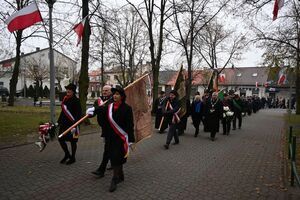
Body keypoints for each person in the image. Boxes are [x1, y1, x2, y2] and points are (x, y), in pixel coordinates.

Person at [86, 86, 135, 192]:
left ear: (122, 96)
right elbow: (101, 109)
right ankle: (120, 175)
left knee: (116, 157)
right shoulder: (109, 106)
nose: (115, 96)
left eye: (117, 94)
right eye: (114, 94)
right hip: (110, 136)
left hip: (120, 137)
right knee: (114, 157)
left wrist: (131, 139)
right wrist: (93, 110)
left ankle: (114, 179)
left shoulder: (127, 108)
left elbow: (130, 125)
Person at [91, 85, 114, 177]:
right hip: (104, 128)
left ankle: (101, 170)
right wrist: (90, 113)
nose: (104, 92)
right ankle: (113, 163)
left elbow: (105, 109)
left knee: (107, 148)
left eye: (107, 90)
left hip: (112, 128)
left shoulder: (113, 100)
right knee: (110, 147)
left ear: (111, 91)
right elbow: (95, 111)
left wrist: (96, 109)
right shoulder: (98, 101)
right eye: (103, 90)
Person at [57, 83, 82, 165]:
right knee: (60, 139)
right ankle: (67, 154)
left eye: (69, 90)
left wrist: (76, 124)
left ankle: (73, 157)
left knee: (73, 141)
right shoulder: (65, 99)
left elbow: (79, 113)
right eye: (67, 89)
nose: (67, 91)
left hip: (72, 124)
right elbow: (63, 112)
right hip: (64, 123)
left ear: (73, 91)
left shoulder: (76, 100)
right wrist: (58, 121)